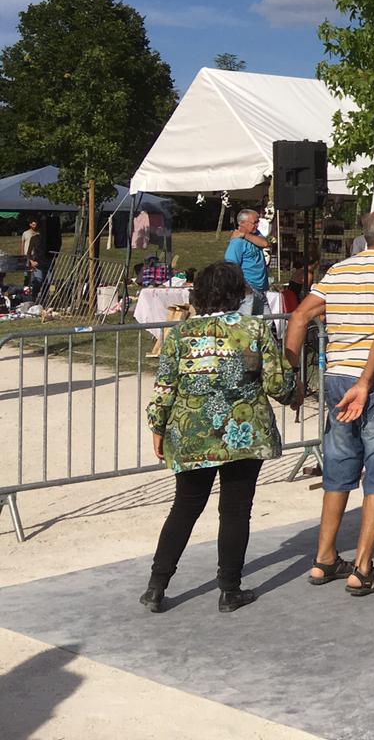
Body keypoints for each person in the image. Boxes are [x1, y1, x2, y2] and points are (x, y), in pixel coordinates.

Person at [142, 261, 299, 613]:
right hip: (243, 435)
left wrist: (157, 427)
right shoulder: (253, 329)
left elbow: (164, 386)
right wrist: (294, 391)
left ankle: (157, 585)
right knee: (236, 510)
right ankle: (229, 589)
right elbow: (277, 383)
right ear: (237, 293)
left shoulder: (179, 335)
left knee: (184, 507)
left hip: (191, 433)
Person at [283, 207, 374, 597]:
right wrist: (366, 381)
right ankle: (362, 567)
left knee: (339, 468)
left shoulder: (338, 271)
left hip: (336, 378)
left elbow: (299, 317)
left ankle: (324, 558)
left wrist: (292, 377)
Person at [223, 208, 271, 315]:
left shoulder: (255, 235)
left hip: (260, 290)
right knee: (247, 323)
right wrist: (243, 286)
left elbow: (265, 243)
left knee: (267, 322)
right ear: (242, 223)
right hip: (247, 290)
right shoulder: (237, 242)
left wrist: (244, 235)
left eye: (258, 222)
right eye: (254, 222)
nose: (257, 225)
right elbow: (230, 266)